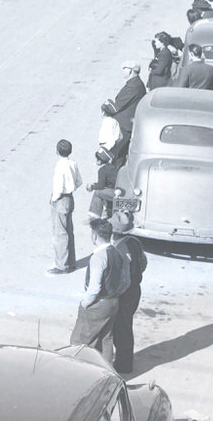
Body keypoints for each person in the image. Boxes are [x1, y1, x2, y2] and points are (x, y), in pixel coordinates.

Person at [69, 219, 129, 363]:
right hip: (113, 302)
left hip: (98, 304)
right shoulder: (117, 253)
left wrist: (85, 303)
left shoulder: (98, 257)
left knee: (79, 342)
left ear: (95, 236)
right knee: (105, 340)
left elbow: (94, 288)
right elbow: (126, 281)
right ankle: (106, 374)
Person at [110, 212, 147, 375]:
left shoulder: (118, 249)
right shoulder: (135, 242)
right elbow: (144, 263)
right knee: (125, 326)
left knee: (121, 329)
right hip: (135, 290)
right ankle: (124, 360)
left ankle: (123, 365)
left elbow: (118, 275)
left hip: (124, 292)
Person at [48, 139, 82, 276]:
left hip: (61, 199)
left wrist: (53, 199)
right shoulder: (73, 164)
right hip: (70, 198)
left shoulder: (60, 166)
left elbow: (58, 186)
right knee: (69, 230)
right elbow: (79, 181)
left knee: (60, 233)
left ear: (57, 151)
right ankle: (71, 262)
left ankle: (61, 265)